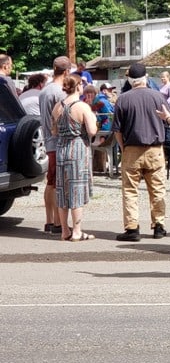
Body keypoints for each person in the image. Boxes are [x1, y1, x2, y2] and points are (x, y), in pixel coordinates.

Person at [113, 63, 169, 242]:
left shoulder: (123, 99)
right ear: (146, 77)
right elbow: (167, 122)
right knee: (157, 189)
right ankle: (159, 226)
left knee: (130, 190)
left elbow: (117, 130)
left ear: (129, 79)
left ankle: (132, 228)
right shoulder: (158, 96)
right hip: (155, 148)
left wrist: (123, 148)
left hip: (132, 149)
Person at [50, 73, 97, 241]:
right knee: (76, 190)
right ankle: (77, 231)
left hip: (61, 149)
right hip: (77, 148)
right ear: (77, 86)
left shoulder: (57, 107)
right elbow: (92, 131)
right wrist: (93, 119)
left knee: (62, 190)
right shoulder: (82, 106)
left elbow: (53, 131)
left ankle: (65, 230)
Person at [39, 56, 71, 235]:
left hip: (48, 139)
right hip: (58, 141)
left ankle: (50, 220)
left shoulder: (45, 90)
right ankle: (58, 223)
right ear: (66, 72)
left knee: (50, 182)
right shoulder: (59, 92)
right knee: (57, 183)